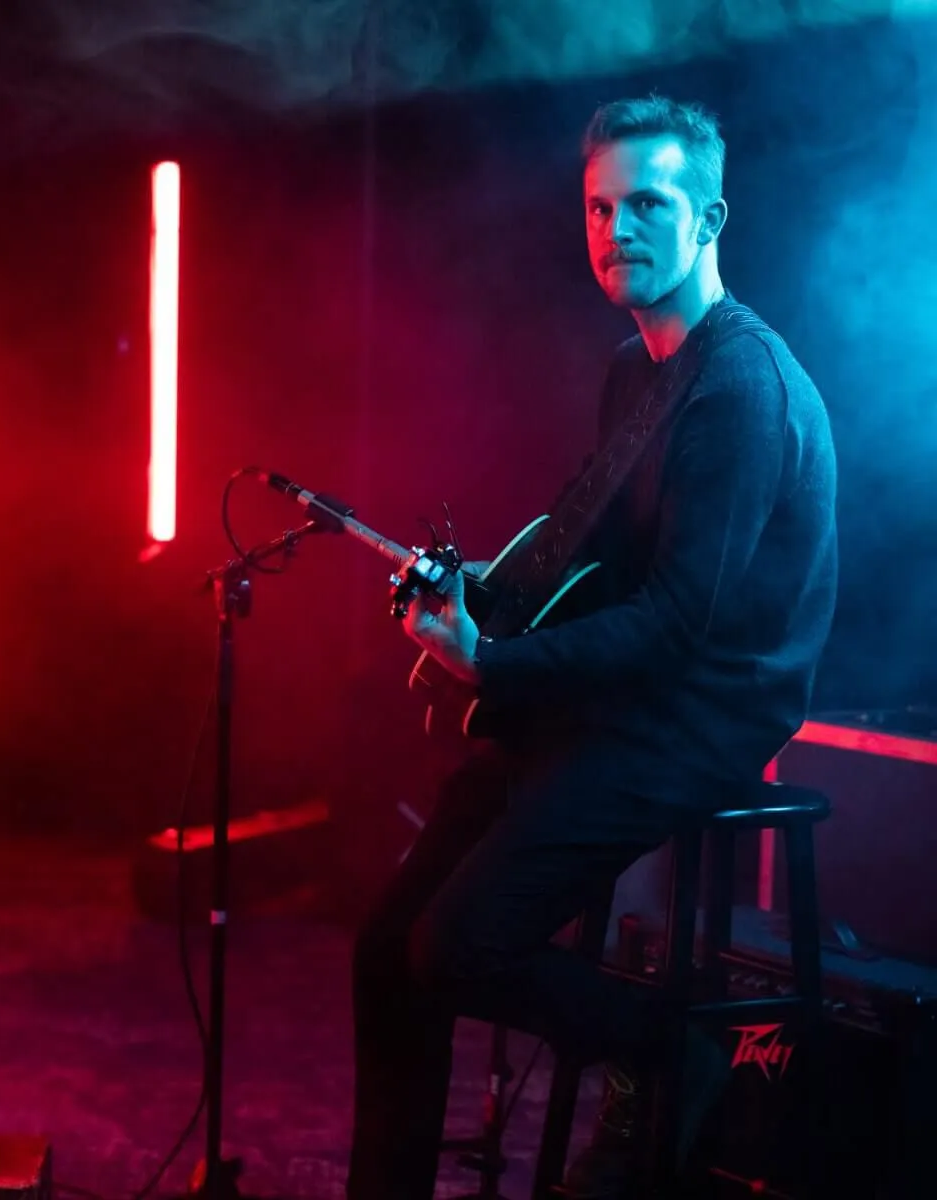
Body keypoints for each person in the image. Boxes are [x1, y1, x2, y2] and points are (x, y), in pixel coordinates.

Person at [345, 95, 838, 1200]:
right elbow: (589, 557)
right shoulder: (635, 367)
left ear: (709, 219)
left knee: (456, 947)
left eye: (648, 205)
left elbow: (676, 624)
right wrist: (472, 598)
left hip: (703, 712)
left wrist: (495, 664)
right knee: (387, 949)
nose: (617, 230)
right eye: (600, 208)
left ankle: (678, 1058)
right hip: (620, 696)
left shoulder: (740, 390)